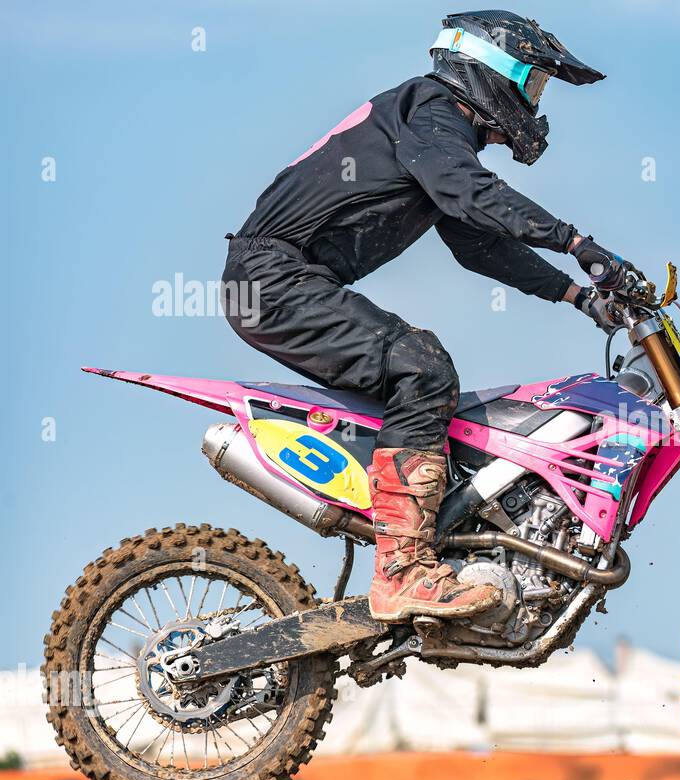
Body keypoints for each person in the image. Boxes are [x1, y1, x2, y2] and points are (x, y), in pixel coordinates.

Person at [221, 11, 626, 621]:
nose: (536, 103)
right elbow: (472, 192)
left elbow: (479, 242)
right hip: (273, 280)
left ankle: (425, 526)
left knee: (415, 370)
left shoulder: (431, 132)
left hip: (283, 280)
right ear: (493, 71)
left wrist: (578, 296)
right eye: (534, 84)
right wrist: (576, 243)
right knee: (423, 368)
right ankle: (403, 568)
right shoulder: (433, 109)